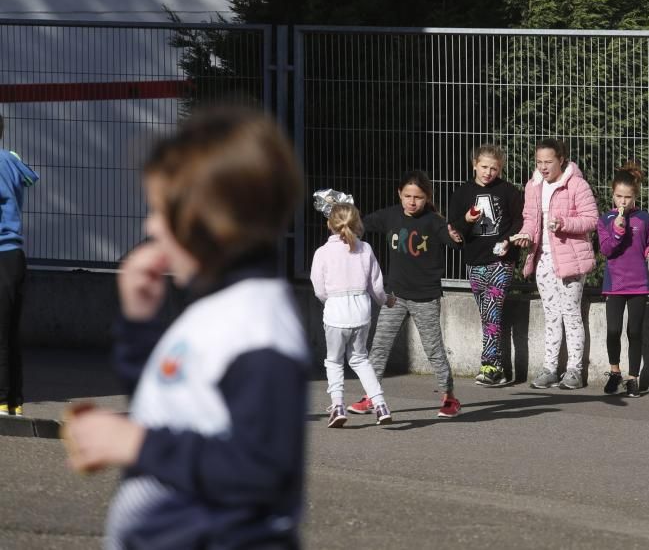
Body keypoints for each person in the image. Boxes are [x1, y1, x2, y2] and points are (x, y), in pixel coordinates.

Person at [62, 108, 309, 548]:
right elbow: (172, 407)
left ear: (209, 221)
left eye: (159, 211)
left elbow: (264, 470)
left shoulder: (257, 329)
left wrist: (139, 444)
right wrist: (140, 323)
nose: (149, 226)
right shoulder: (217, 309)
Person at [348, 170, 463, 418]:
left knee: (434, 350)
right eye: (407, 195)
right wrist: (343, 219)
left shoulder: (434, 221)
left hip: (426, 297)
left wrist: (455, 235)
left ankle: (449, 398)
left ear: (427, 197)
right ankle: (371, 396)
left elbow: (453, 241)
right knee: (379, 346)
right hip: (395, 296)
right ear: (399, 194)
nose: (412, 202)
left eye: (418, 197)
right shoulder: (390, 215)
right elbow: (360, 226)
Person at [513, 138, 598, 390]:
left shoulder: (576, 185)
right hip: (543, 258)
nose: (542, 167)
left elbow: (591, 219)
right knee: (551, 315)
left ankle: (574, 370)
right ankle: (550, 368)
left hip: (570, 258)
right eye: (538, 162)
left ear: (561, 159)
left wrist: (563, 223)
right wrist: (526, 235)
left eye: (548, 161)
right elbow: (530, 218)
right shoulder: (533, 186)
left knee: (571, 315)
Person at [311, 199, 394, 427]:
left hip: (336, 313)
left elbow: (319, 289)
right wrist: (386, 300)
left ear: (330, 224)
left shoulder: (322, 253)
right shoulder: (365, 249)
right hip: (361, 312)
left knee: (334, 361)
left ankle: (337, 405)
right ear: (357, 222)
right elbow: (376, 286)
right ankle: (380, 404)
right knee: (360, 359)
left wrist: (331, 301)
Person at [448, 144, 524, 387]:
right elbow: (454, 228)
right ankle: (498, 368)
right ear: (474, 165)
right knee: (488, 315)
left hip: (501, 260)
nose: (488, 172)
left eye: (494, 168)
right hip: (474, 260)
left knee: (492, 308)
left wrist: (507, 240)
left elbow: (519, 221)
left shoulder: (509, 192)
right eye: (484, 167)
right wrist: (466, 221)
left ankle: (489, 364)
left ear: (500, 169)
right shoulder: (461, 193)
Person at [597, 162, 649, 398]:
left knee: (634, 331)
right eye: (619, 196)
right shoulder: (605, 219)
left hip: (638, 283)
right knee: (613, 330)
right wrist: (617, 229)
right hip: (615, 283)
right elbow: (606, 249)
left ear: (635, 196)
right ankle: (614, 371)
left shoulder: (644, 218)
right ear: (613, 194)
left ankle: (633, 377)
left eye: (628, 197)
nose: (623, 202)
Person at [0, 115, 38, 418]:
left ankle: (1, 399)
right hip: (14, 255)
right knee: (10, 331)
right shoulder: (11, 160)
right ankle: (13, 400)